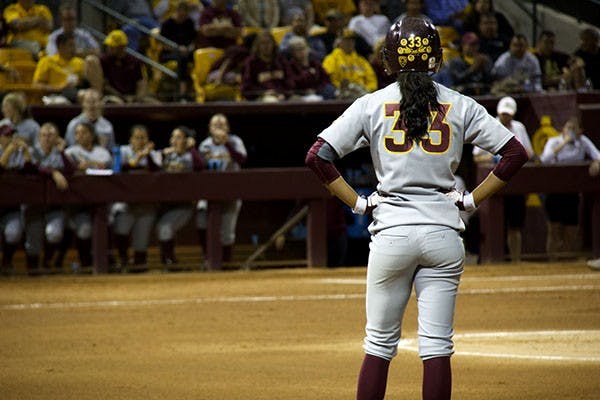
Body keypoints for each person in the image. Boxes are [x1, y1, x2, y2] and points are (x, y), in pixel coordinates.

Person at [305, 18, 528, 399]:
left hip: (391, 231)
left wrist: (359, 203)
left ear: (388, 62)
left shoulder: (372, 104)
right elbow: (514, 153)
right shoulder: (460, 104)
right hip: (443, 231)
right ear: (437, 60)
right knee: (437, 346)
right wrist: (472, 199)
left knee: (378, 345)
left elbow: (318, 156)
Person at [472, 96, 534, 262]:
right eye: (503, 114)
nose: (506, 117)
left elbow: (529, 153)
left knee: (515, 224)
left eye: (508, 114)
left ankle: (516, 260)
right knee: (495, 223)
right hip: (493, 182)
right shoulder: (490, 123)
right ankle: (495, 261)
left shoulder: (518, 127)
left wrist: (511, 159)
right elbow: (477, 157)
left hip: (514, 182)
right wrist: (496, 159)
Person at [540, 116, 600, 261]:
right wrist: (565, 142)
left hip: (572, 193)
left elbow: (598, 155)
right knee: (553, 229)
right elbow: (545, 159)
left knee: (571, 229)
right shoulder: (554, 141)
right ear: (563, 129)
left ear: (580, 131)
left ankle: (566, 261)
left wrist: (596, 162)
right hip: (554, 191)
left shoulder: (583, 141)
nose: (571, 131)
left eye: (575, 129)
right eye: (569, 128)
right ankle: (552, 261)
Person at [24, 122, 75, 274]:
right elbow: (30, 167)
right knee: (33, 243)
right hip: (33, 205)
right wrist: (53, 172)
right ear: (39, 137)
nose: (47, 138)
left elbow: (72, 170)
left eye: (51, 135)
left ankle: (47, 262)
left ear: (57, 138)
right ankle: (32, 271)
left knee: (54, 234)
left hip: (55, 205)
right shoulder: (31, 151)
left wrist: (62, 152)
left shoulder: (60, 153)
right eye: (44, 135)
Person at [196, 114, 246, 263]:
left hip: (231, 190)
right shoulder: (205, 144)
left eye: (222, 124)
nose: (218, 126)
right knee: (201, 218)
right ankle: (208, 257)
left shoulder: (235, 141)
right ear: (210, 129)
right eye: (215, 125)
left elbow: (241, 159)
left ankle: (226, 264)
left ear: (228, 128)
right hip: (209, 191)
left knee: (227, 233)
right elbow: (199, 167)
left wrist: (227, 144)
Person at [111, 124, 161, 271]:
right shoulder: (123, 151)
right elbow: (121, 168)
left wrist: (148, 155)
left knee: (141, 240)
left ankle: (139, 266)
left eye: (143, 138)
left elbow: (157, 170)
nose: (140, 141)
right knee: (121, 230)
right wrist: (139, 156)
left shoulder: (154, 153)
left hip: (146, 202)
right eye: (137, 138)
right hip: (125, 202)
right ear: (131, 139)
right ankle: (123, 261)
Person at [64, 122, 112, 268]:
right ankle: (85, 262)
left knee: (111, 222)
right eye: (77, 133)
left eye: (84, 132)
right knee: (84, 229)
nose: (80, 135)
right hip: (78, 202)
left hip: (102, 201)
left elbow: (105, 165)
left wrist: (89, 163)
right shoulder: (70, 152)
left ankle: (108, 259)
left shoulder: (101, 152)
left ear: (92, 135)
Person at [156, 126, 204, 267]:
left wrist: (192, 148)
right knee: (163, 229)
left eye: (178, 137)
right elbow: (152, 165)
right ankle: (168, 261)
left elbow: (200, 166)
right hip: (165, 203)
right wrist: (162, 154)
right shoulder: (168, 155)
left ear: (186, 140)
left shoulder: (191, 156)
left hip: (184, 203)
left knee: (165, 227)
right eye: (173, 137)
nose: (174, 140)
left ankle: (170, 262)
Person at [33, 32, 104, 104]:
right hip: (59, 92)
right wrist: (59, 88)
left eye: (74, 45)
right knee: (84, 95)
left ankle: (98, 97)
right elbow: (37, 84)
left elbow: (87, 80)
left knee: (91, 60)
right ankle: (95, 101)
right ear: (60, 46)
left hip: (78, 89)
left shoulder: (79, 61)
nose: (74, 49)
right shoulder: (47, 61)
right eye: (70, 45)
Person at [0, 123, 34, 274]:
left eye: (13, 135)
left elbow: (30, 172)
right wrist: (7, 152)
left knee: (13, 233)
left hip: (12, 207)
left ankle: (6, 262)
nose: (11, 139)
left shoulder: (20, 153)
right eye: (7, 136)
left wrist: (26, 151)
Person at [100, 30, 154, 104]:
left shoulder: (135, 61)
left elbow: (141, 82)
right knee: (116, 102)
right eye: (108, 46)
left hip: (132, 96)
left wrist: (138, 98)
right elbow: (105, 85)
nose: (108, 48)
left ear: (122, 47)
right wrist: (122, 97)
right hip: (113, 96)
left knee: (154, 104)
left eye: (112, 47)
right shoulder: (103, 60)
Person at [322, 29, 377, 100]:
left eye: (352, 40)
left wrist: (368, 91)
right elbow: (330, 79)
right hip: (342, 96)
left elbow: (372, 80)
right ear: (339, 42)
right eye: (346, 40)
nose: (350, 43)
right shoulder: (331, 59)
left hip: (363, 95)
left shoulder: (361, 60)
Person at [158, 0, 198, 100]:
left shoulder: (189, 23)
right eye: (181, 15)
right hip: (169, 53)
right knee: (182, 58)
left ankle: (197, 89)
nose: (183, 17)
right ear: (177, 12)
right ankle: (182, 92)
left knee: (197, 57)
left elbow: (193, 41)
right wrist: (178, 48)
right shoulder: (167, 24)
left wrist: (189, 48)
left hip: (187, 52)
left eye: (185, 15)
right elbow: (164, 44)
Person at [240, 29, 291, 101]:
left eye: (268, 43)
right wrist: (263, 93)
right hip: (260, 98)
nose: (266, 46)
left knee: (299, 101)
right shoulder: (251, 63)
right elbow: (246, 87)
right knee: (272, 101)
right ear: (257, 45)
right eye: (263, 43)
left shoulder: (281, 61)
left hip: (283, 96)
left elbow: (290, 81)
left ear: (273, 44)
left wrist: (283, 93)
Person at [285, 36, 335, 100]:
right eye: (298, 49)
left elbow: (325, 79)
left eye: (303, 48)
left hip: (318, 92)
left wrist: (316, 90)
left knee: (329, 89)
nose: (302, 51)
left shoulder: (314, 63)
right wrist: (307, 74)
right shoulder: (290, 65)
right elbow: (291, 83)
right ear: (292, 52)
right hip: (300, 94)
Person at [446, 31, 493, 95]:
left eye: (476, 44)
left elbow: (490, 80)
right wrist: (473, 69)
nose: (474, 48)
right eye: (471, 45)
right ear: (463, 45)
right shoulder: (455, 61)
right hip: (464, 91)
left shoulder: (484, 59)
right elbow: (457, 80)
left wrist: (484, 68)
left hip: (482, 90)